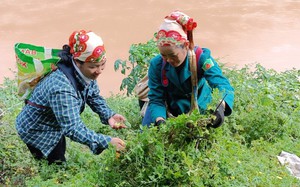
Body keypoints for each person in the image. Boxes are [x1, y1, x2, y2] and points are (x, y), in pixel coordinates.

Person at [16, 30, 126, 165]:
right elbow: (73, 128)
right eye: (93, 67)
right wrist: (107, 142)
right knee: (56, 166)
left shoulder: (84, 72)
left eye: (102, 65)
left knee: (59, 149)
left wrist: (109, 115)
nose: (99, 71)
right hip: (37, 130)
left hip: (53, 122)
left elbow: (93, 95)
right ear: (77, 62)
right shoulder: (61, 87)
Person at [142, 11, 234, 127]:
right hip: (171, 107)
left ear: (186, 45)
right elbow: (156, 98)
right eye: (164, 55)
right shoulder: (157, 65)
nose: (169, 60)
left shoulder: (201, 58)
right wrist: (160, 121)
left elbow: (222, 85)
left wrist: (221, 106)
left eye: (173, 55)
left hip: (200, 105)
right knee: (147, 131)